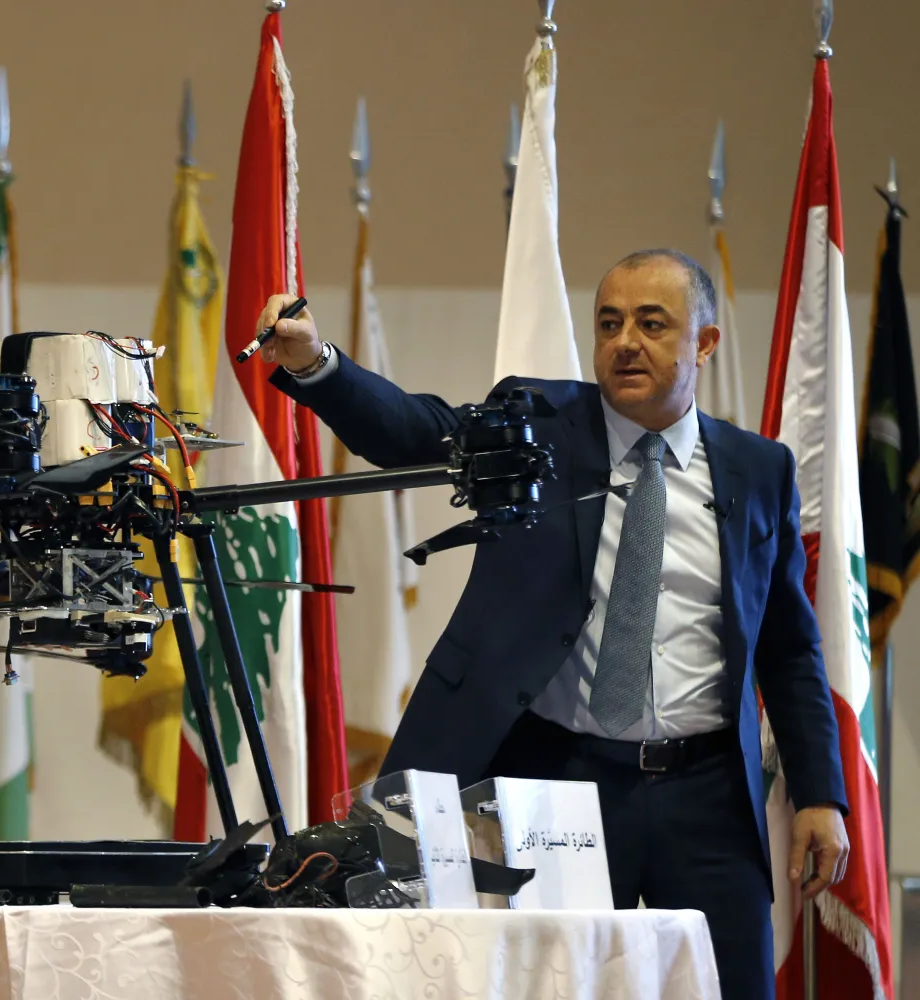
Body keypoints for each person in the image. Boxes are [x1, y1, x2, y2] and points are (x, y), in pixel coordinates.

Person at [257, 249, 849, 999]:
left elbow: (791, 649)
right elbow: (416, 430)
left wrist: (820, 794)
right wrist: (319, 365)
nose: (624, 340)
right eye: (609, 322)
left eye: (651, 323)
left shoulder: (760, 470)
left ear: (704, 342)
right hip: (562, 784)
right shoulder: (538, 426)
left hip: (706, 795)